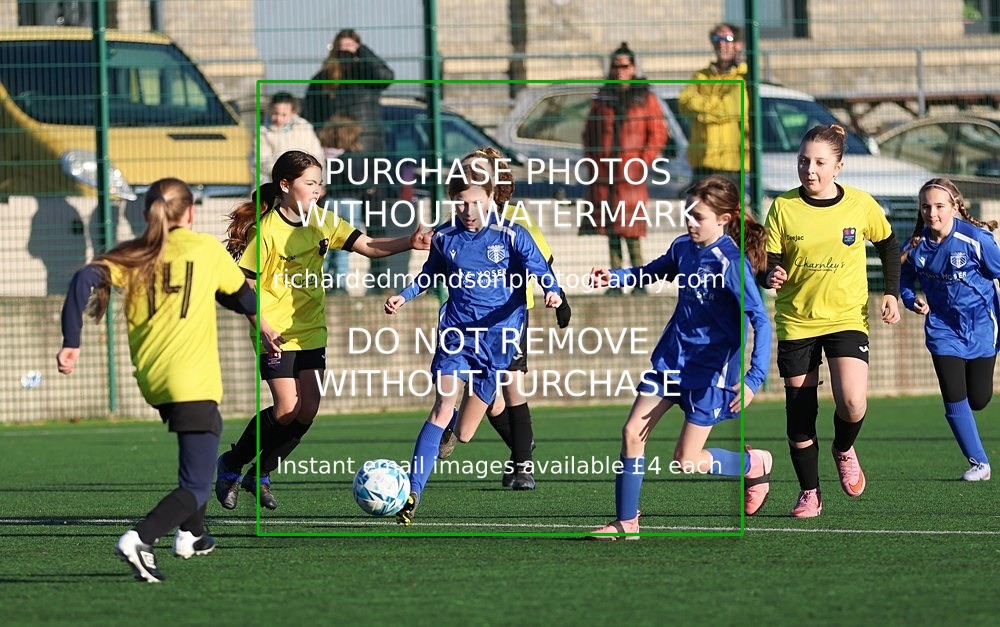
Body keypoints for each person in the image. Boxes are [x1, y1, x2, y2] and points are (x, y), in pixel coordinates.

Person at [56, 178, 281, 583]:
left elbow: (81, 280)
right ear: (191, 213)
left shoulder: (132, 254)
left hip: (154, 382)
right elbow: (241, 296)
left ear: (147, 214)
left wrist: (71, 342)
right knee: (196, 487)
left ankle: (192, 534)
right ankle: (139, 539)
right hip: (192, 382)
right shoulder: (204, 250)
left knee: (194, 464)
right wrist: (262, 327)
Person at [215, 150, 430, 511]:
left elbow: (370, 246)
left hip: (312, 330)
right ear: (285, 185)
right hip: (274, 330)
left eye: (320, 183)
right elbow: (245, 287)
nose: (317, 190)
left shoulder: (324, 221)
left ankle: (261, 473)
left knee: (308, 409)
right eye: (309, 183)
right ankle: (232, 463)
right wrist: (262, 325)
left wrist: (410, 241)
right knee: (286, 408)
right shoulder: (266, 231)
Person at [384, 147, 563, 525]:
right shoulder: (445, 237)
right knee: (442, 407)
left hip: (498, 340)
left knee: (465, 433)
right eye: (461, 203)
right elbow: (430, 274)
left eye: (476, 202)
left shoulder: (513, 235)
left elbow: (542, 270)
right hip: (456, 334)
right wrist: (404, 294)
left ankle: (519, 445)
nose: (469, 211)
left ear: (491, 197)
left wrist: (553, 292)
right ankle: (412, 494)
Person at [588, 175, 773, 539]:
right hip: (671, 360)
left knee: (686, 460)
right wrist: (615, 277)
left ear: (724, 218)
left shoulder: (730, 262)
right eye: (687, 213)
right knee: (631, 433)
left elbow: (760, 320)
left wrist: (754, 378)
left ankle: (754, 463)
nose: (689, 221)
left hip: (710, 371)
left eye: (698, 216)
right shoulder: (683, 248)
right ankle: (627, 520)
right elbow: (650, 272)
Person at [760, 124, 901, 518]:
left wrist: (890, 291)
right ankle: (810, 493)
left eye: (820, 162)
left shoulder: (859, 205)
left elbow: (888, 244)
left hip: (846, 317)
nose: (810, 170)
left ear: (838, 166)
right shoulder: (783, 207)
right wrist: (771, 274)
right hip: (797, 321)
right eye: (804, 161)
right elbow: (770, 262)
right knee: (801, 415)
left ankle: (843, 448)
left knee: (852, 401)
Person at [435, 149, 573, 490]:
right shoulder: (458, 223)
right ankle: (519, 444)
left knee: (512, 386)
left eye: (478, 173)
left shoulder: (517, 221)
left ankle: (523, 466)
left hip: (509, 317)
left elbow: (544, 264)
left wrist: (558, 298)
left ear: (495, 185)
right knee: (483, 406)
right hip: (465, 323)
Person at [900, 178, 999, 481]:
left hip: (982, 327)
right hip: (943, 329)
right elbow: (903, 282)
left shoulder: (977, 240)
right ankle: (979, 463)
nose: (932, 213)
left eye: (940, 206)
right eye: (926, 207)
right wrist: (909, 300)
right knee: (953, 393)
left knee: (979, 398)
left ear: (955, 207)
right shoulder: (916, 247)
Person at [582, 42, 668, 290]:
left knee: (632, 228)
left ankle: (638, 280)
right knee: (611, 229)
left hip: (631, 173)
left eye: (624, 66)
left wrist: (643, 162)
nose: (620, 71)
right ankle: (615, 281)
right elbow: (589, 132)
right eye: (615, 66)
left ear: (633, 68)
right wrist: (594, 162)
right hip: (606, 172)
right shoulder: (603, 96)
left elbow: (658, 134)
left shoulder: (645, 97)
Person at [678, 23, 749, 187]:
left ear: (738, 44)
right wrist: (714, 104)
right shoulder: (701, 75)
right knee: (697, 211)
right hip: (701, 162)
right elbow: (683, 104)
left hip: (730, 164)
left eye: (727, 39)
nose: (721, 43)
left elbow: (730, 109)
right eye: (717, 39)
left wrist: (700, 109)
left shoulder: (744, 75)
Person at [318, 113, 367, 293]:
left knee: (326, 243)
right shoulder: (352, 156)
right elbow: (358, 181)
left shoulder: (323, 154)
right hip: (350, 202)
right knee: (345, 244)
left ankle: (324, 280)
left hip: (329, 202)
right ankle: (339, 283)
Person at [257, 92, 324, 184]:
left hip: (304, 177)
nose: (279, 118)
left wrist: (320, 182)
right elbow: (262, 161)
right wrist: (288, 173)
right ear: (270, 110)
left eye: (284, 115)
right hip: (273, 180)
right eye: (275, 113)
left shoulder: (304, 128)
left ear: (293, 112)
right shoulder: (263, 132)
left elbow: (317, 155)